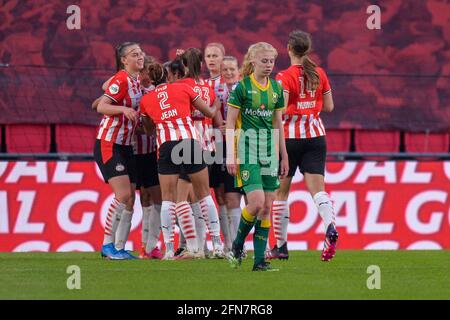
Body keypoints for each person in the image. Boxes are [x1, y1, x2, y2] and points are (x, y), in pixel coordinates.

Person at [270, 30, 338, 262]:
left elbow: (277, 112)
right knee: (318, 191)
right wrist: (310, 106)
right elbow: (328, 107)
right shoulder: (319, 73)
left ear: (288, 48)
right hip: (316, 136)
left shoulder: (283, 77)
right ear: (307, 49)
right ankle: (330, 225)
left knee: (281, 193)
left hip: (289, 138)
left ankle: (280, 247)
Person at [139, 61, 218, 260]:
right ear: (168, 76)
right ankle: (217, 245)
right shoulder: (184, 87)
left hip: (166, 145)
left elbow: (149, 131)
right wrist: (214, 104)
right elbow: (209, 113)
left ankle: (168, 250)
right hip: (189, 142)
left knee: (168, 199)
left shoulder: (146, 100)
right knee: (204, 195)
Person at [226, 42, 288, 271]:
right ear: (252, 61)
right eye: (264, 61)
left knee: (267, 207)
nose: (269, 65)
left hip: (270, 153)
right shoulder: (241, 88)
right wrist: (230, 156)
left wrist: (284, 155)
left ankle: (259, 261)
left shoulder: (276, 89)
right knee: (257, 203)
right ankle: (237, 245)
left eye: (272, 61)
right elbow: (231, 122)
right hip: (247, 151)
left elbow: (277, 123)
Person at [94, 42, 143, 260]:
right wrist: (123, 108)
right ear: (124, 60)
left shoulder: (135, 80)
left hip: (126, 145)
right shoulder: (122, 79)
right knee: (123, 195)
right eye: (134, 54)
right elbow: (102, 106)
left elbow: (107, 85)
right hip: (109, 143)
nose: (140, 56)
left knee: (131, 198)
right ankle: (107, 246)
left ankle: (119, 248)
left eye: (141, 53)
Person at [176, 48, 225, 259]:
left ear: (183, 66)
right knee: (201, 197)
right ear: (201, 65)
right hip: (209, 146)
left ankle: (194, 247)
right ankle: (213, 246)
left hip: (188, 145)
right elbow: (217, 120)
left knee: (181, 200)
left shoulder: (179, 87)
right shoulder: (208, 88)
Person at [204, 43, 232, 252]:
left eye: (215, 55)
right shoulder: (203, 84)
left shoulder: (232, 82)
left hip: (228, 141)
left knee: (226, 193)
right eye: (208, 56)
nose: (211, 59)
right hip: (208, 141)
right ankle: (216, 242)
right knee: (213, 192)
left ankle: (230, 242)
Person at [220, 55, 245, 245]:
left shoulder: (245, 90)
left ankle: (265, 245)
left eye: (232, 69)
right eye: (225, 69)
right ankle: (238, 245)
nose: (229, 73)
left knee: (255, 199)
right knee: (231, 197)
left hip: (247, 145)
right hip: (225, 148)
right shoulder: (216, 91)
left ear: (239, 71)